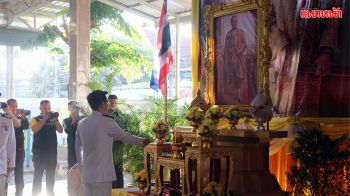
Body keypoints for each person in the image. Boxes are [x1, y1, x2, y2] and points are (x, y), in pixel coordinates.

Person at [268, 0, 339, 116]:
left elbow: (332, 18)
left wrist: (326, 52)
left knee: (307, 122)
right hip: (283, 64)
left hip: (312, 64)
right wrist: (279, 48)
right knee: (281, 118)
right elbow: (268, 19)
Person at [76, 90, 149, 196]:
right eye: (107, 102)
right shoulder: (106, 122)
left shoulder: (82, 123)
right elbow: (124, 136)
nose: (108, 104)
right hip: (102, 175)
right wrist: (143, 142)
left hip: (87, 174)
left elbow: (78, 149)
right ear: (101, 104)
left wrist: (82, 168)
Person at [30, 100, 63, 196]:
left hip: (51, 153)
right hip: (39, 153)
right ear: (40, 109)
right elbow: (35, 130)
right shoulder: (35, 119)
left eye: (48, 108)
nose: (47, 110)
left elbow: (61, 130)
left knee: (50, 177)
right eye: (44, 108)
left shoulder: (54, 119)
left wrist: (56, 119)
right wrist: (44, 119)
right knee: (37, 177)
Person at [221, 15, 249, 104]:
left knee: (239, 78)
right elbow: (226, 48)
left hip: (239, 60)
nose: (234, 23)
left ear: (237, 22)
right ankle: (234, 96)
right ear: (231, 23)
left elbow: (245, 44)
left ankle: (239, 96)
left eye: (236, 21)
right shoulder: (228, 34)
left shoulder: (241, 32)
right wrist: (226, 57)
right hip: (230, 59)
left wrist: (239, 50)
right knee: (232, 78)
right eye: (233, 21)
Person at [6, 99, 29, 196]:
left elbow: (26, 126)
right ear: (7, 107)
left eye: (16, 106)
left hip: (19, 150)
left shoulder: (20, 118)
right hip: (6, 151)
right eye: (12, 106)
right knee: (4, 174)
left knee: (19, 174)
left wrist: (24, 117)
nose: (15, 108)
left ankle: (19, 193)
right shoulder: (4, 118)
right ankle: (3, 192)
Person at [107, 95, 126, 188]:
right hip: (107, 148)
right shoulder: (103, 115)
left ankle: (120, 191)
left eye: (115, 103)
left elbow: (126, 129)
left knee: (119, 171)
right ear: (107, 102)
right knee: (109, 172)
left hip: (118, 148)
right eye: (111, 102)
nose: (113, 105)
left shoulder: (121, 115)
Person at [62, 101, 84, 171]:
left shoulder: (84, 118)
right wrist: (74, 120)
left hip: (84, 147)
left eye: (76, 107)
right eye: (73, 107)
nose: (75, 109)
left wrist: (84, 113)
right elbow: (68, 132)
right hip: (72, 147)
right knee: (72, 168)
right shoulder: (65, 121)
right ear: (69, 109)